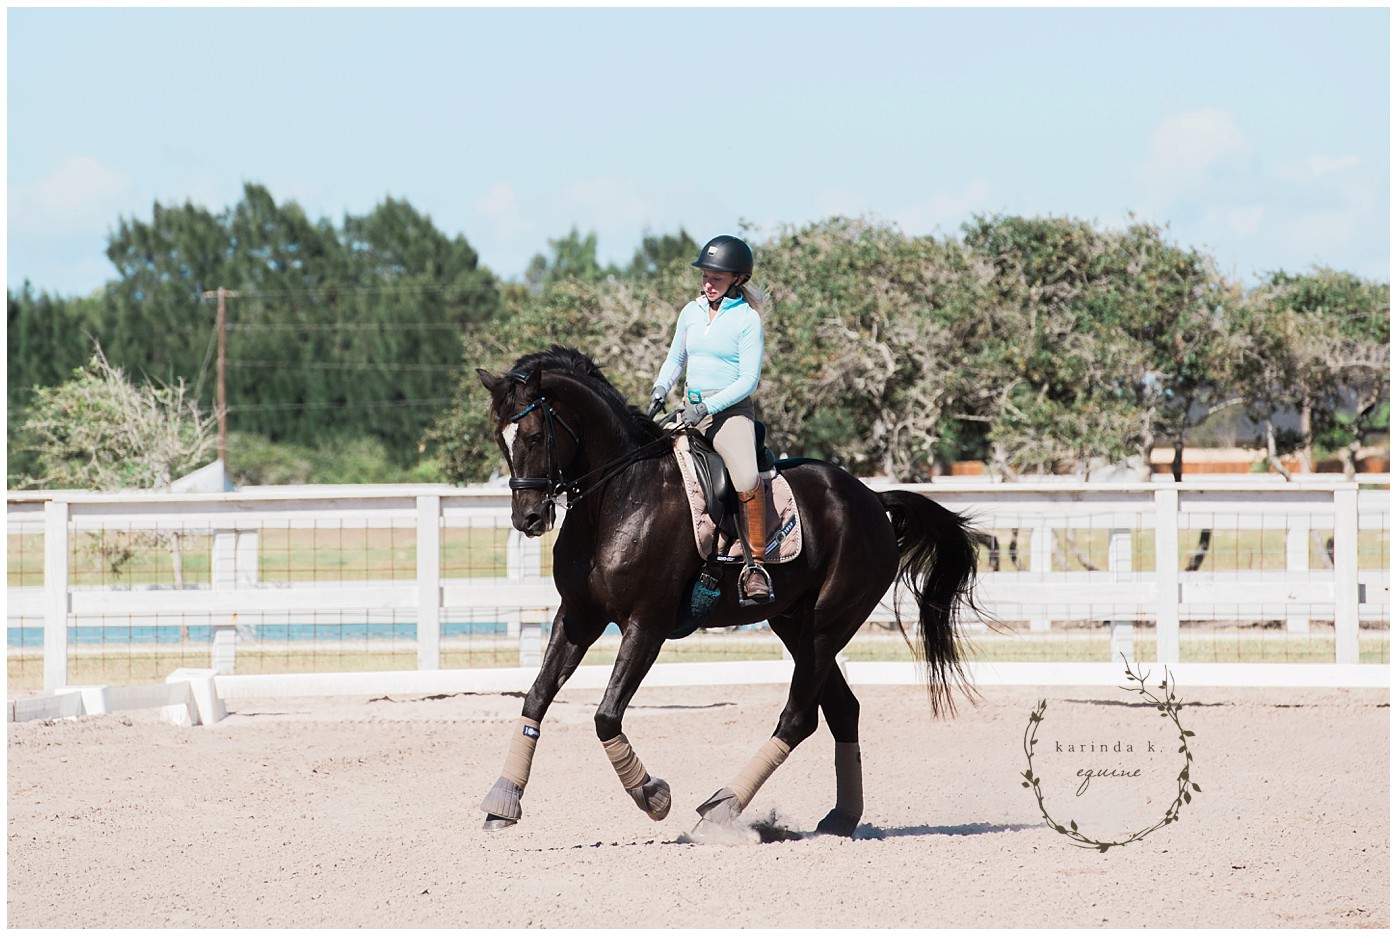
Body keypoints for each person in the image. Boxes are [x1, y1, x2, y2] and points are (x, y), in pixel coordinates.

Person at [648, 234, 774, 605]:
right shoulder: (691, 311)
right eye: (705, 275)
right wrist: (659, 387)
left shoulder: (748, 320)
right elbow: (676, 359)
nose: (708, 283)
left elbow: (748, 380)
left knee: (747, 477)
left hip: (729, 415)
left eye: (716, 277)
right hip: (689, 410)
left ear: (738, 278)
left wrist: (707, 408)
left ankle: (756, 567)